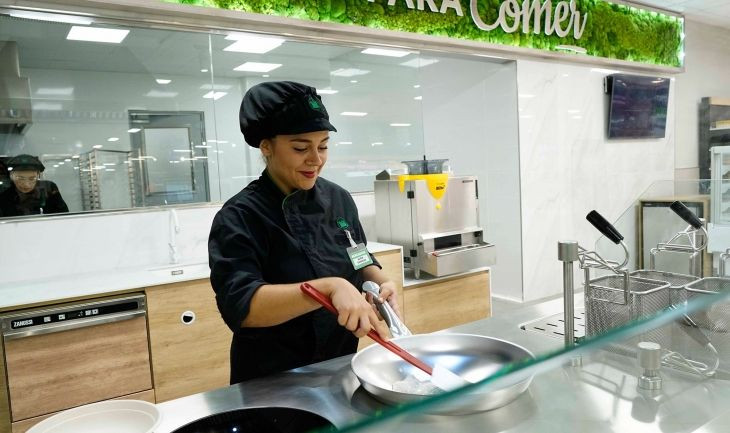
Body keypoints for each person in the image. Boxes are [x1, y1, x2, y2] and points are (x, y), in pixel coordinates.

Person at [209, 81, 401, 384]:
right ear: (266, 146)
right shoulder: (240, 216)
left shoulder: (338, 199)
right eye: (301, 148)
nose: (316, 159)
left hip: (339, 367)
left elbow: (358, 253)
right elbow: (243, 306)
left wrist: (381, 280)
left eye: (323, 145)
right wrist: (327, 288)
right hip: (271, 380)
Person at [0, 154, 69, 217]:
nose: (26, 184)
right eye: (20, 178)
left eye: (32, 178)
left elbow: (64, 216)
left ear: (38, 176)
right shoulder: (3, 198)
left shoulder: (49, 188)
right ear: (12, 177)